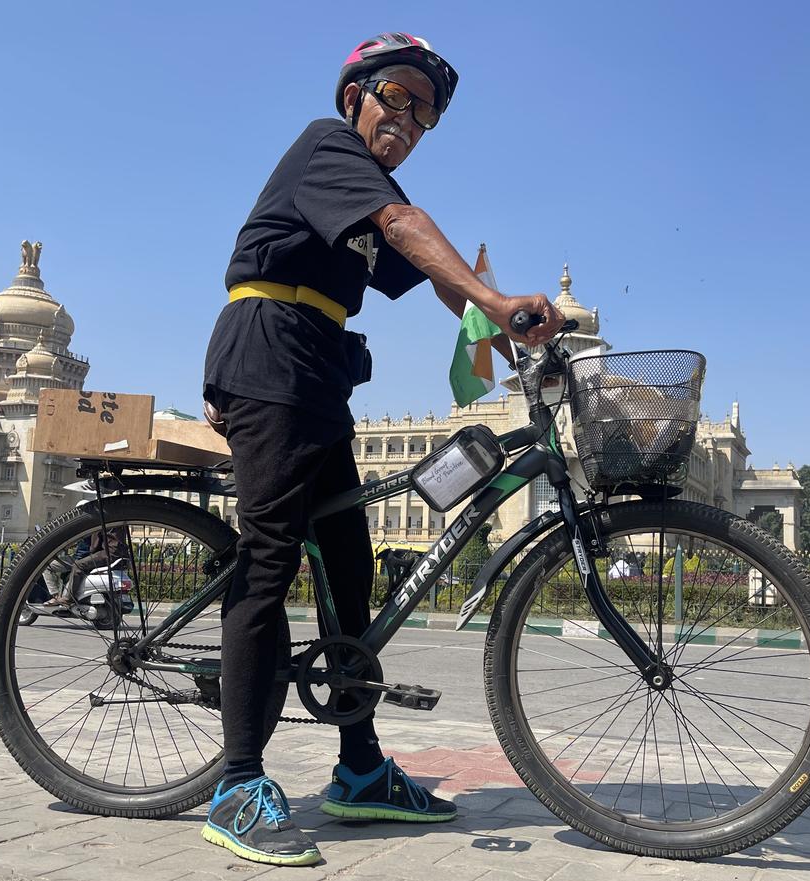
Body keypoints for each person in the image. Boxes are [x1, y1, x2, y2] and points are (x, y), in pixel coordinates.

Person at [200, 32, 565, 867]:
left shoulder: (370, 194)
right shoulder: (327, 149)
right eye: (395, 96)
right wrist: (499, 298)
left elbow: (428, 271)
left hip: (320, 372)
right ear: (354, 96)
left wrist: (504, 335)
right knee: (270, 559)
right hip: (268, 352)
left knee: (351, 571)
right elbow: (405, 225)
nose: (408, 118)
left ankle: (360, 769)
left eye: (425, 112)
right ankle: (237, 781)